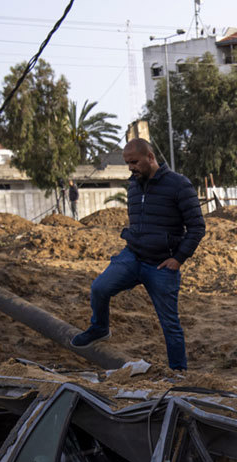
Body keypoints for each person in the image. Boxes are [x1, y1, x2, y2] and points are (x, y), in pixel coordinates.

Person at [71, 139, 205, 372]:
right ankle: (100, 328)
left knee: (170, 324)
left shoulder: (179, 185)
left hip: (162, 265)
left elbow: (197, 227)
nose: (130, 167)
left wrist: (178, 258)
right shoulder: (134, 185)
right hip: (132, 256)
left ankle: (179, 373)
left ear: (150, 157)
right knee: (99, 288)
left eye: (134, 162)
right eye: (127, 163)